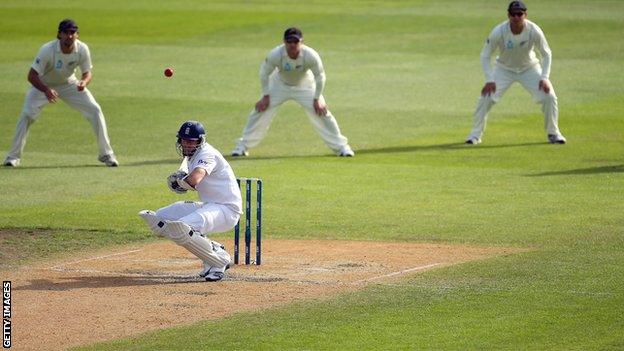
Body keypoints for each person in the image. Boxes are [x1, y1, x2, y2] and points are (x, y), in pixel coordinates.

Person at [3, 19, 118, 167]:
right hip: (43, 85)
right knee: (26, 115)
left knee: (95, 110)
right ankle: (13, 157)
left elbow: (87, 73)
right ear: (59, 34)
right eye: (66, 33)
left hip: (69, 84)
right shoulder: (47, 50)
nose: (69, 36)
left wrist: (84, 82)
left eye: (72, 33)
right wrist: (46, 89)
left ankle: (106, 154)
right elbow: (31, 76)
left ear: (77, 35)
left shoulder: (82, 49)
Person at [139, 120, 242, 282]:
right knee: (160, 219)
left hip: (226, 210)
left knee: (182, 228)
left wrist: (180, 182)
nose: (186, 144)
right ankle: (214, 248)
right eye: (183, 140)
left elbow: (194, 179)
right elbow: (184, 177)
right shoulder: (190, 157)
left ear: (199, 141)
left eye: (191, 141)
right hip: (209, 206)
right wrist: (179, 181)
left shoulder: (207, 154)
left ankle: (218, 262)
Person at [231, 27, 354, 157]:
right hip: (279, 84)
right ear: (284, 42)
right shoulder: (276, 54)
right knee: (259, 110)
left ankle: (342, 147)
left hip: (305, 85)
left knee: (322, 112)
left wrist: (317, 98)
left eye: (295, 42)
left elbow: (320, 76)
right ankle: (242, 146)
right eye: (289, 42)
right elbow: (264, 73)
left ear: (301, 42)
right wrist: (265, 96)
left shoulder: (310, 55)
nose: (292, 45)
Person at [465, 1, 567, 145]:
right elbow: (485, 55)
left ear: (525, 15)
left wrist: (544, 77)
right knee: (486, 98)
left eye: (520, 14)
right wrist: (489, 79)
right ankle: (474, 135)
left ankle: (554, 133)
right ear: (508, 15)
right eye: (513, 14)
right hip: (504, 69)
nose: (516, 17)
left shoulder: (533, 30)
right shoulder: (499, 31)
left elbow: (547, 54)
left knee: (549, 96)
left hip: (529, 68)